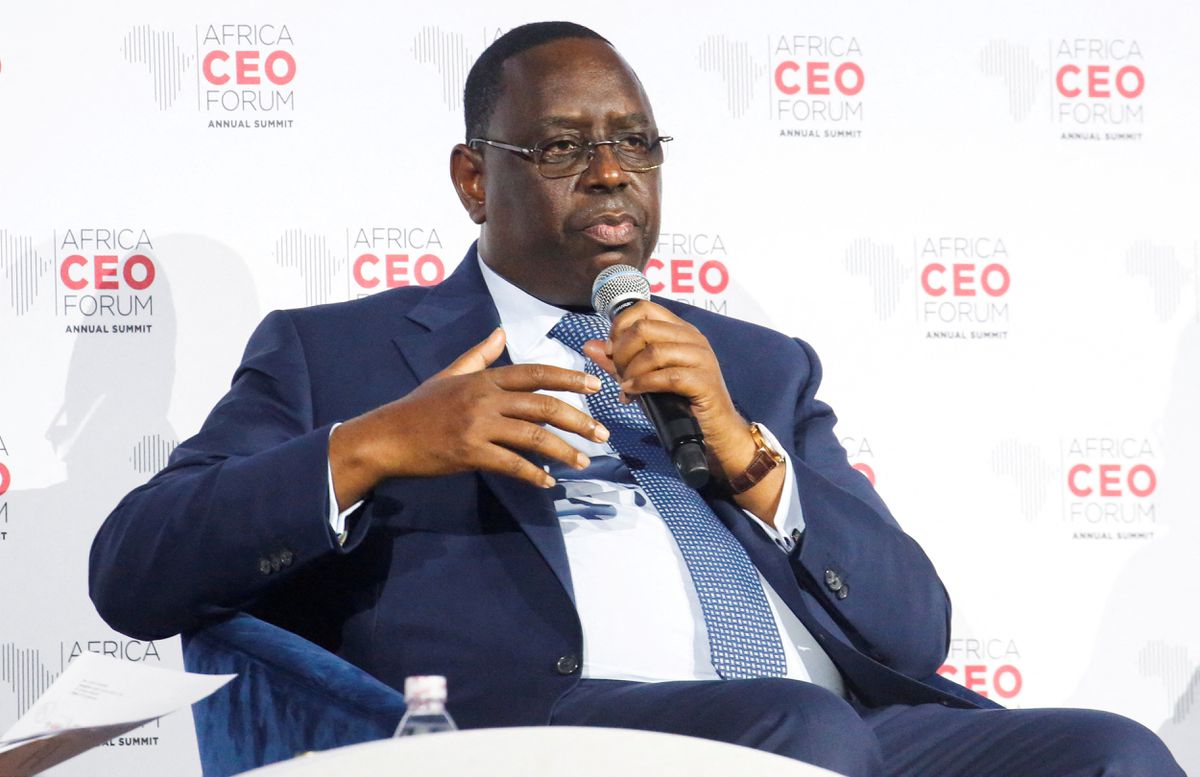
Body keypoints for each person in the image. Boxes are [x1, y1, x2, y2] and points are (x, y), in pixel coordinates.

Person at [89, 21, 1182, 777]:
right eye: (565, 146)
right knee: (798, 731)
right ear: (473, 179)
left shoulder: (755, 365)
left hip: (838, 728)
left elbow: (914, 633)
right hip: (545, 730)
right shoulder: (345, 354)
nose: (611, 172)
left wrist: (750, 456)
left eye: (636, 144)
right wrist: (375, 445)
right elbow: (133, 570)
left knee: (1112, 753)